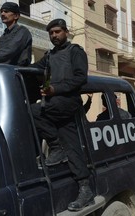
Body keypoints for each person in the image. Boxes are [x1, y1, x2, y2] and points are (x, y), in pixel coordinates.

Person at [30, 18, 94, 211]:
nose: (54, 35)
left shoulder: (75, 51)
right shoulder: (50, 55)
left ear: (66, 32)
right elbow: (35, 69)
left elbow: (80, 78)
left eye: (57, 32)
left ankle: (56, 148)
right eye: (51, 33)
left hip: (67, 102)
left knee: (35, 111)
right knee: (72, 148)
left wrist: (55, 89)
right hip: (55, 104)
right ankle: (84, 188)